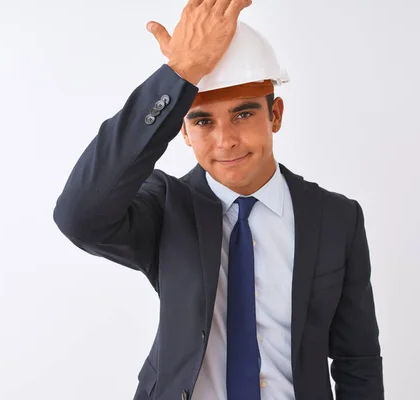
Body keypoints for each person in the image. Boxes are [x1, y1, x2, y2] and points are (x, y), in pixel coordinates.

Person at [52, 0, 384, 399]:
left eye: (243, 115)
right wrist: (179, 75)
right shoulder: (165, 207)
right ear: (184, 132)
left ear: (275, 115)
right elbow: (79, 215)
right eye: (203, 121)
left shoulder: (337, 218)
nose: (225, 140)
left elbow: (357, 358)